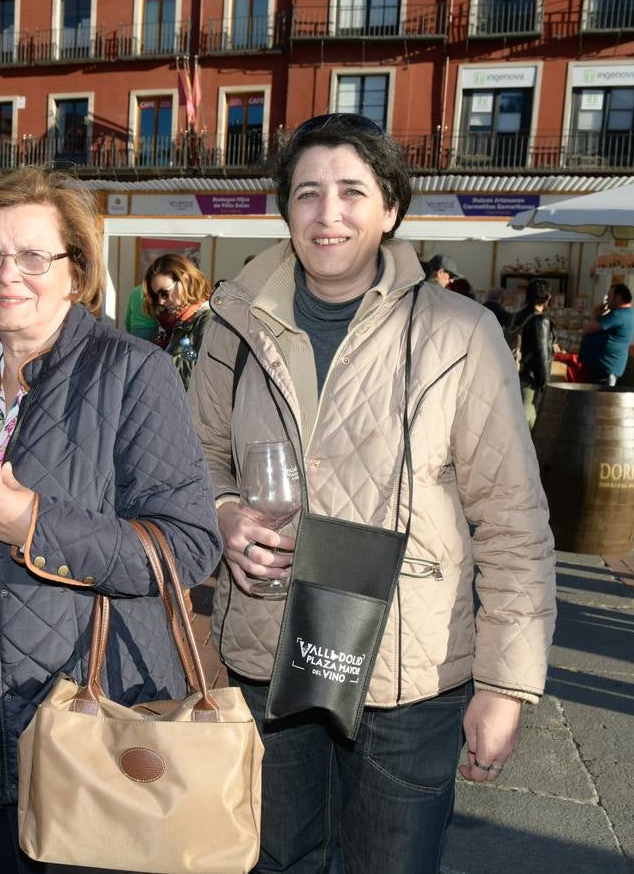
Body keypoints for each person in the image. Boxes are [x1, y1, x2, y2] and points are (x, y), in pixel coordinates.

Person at [187, 113, 556, 872]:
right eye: (308, 193)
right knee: (277, 859)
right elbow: (197, 462)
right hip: (268, 646)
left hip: (408, 675)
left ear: (390, 208)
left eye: (353, 191)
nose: (329, 214)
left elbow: (513, 520)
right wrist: (222, 514)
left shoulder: (461, 333)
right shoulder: (233, 324)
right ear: (285, 208)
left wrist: (506, 686)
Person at [0, 167, 222, 872]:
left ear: (76, 272)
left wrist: (36, 524)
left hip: (83, 699)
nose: (8, 275)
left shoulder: (132, 374)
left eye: (34, 256)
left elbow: (188, 546)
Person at [143, 252, 213, 387]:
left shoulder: (207, 320)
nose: (161, 301)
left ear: (185, 280)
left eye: (164, 293)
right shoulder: (166, 325)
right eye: (155, 295)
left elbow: (200, 377)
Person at [509, 278, 556, 428]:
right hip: (529, 378)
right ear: (547, 297)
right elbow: (541, 355)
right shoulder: (540, 320)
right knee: (527, 419)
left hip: (512, 372)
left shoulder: (516, 315)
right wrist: (544, 383)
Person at [579, 282, 634, 386]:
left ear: (618, 298)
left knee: (601, 401)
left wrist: (596, 314)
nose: (607, 300)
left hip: (605, 371)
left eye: (609, 296)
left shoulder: (618, 315)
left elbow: (587, 329)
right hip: (601, 369)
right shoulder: (624, 314)